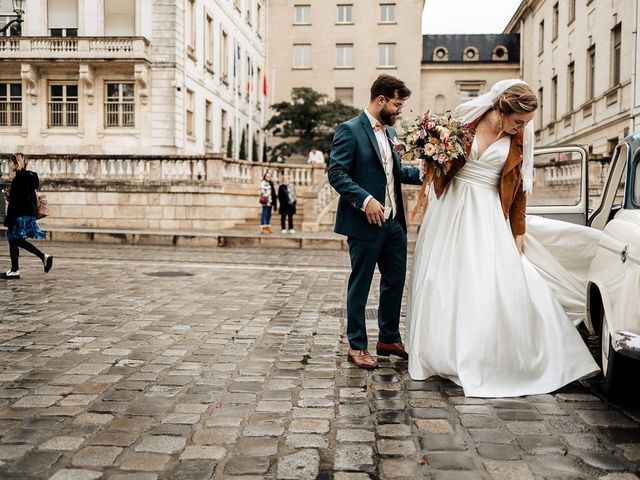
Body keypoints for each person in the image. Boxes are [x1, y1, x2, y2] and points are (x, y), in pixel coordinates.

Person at [406, 79, 600, 397]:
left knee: (486, 281)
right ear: (501, 110)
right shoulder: (463, 123)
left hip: (486, 214)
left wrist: (518, 232)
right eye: (519, 121)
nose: (522, 128)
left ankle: (486, 352)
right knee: (442, 280)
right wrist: (431, 153)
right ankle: (440, 351)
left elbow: (520, 190)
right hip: (449, 210)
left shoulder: (520, 138)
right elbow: (437, 167)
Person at [328, 74, 422, 369]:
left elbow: (394, 173)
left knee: (395, 281)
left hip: (394, 223)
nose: (400, 111)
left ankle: (388, 338)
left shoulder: (392, 135)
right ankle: (357, 345)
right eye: (397, 104)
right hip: (364, 223)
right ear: (381, 100)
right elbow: (337, 174)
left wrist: (427, 175)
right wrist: (365, 200)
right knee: (361, 283)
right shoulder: (350, 130)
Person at [1, 153, 53, 280]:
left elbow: (17, 201)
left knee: (13, 239)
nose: (9, 165)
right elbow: (26, 196)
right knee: (16, 240)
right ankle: (17, 268)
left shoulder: (18, 179)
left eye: (11, 163)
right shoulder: (31, 177)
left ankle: (17, 269)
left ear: (16, 163)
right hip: (28, 213)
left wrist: (9, 214)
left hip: (19, 214)